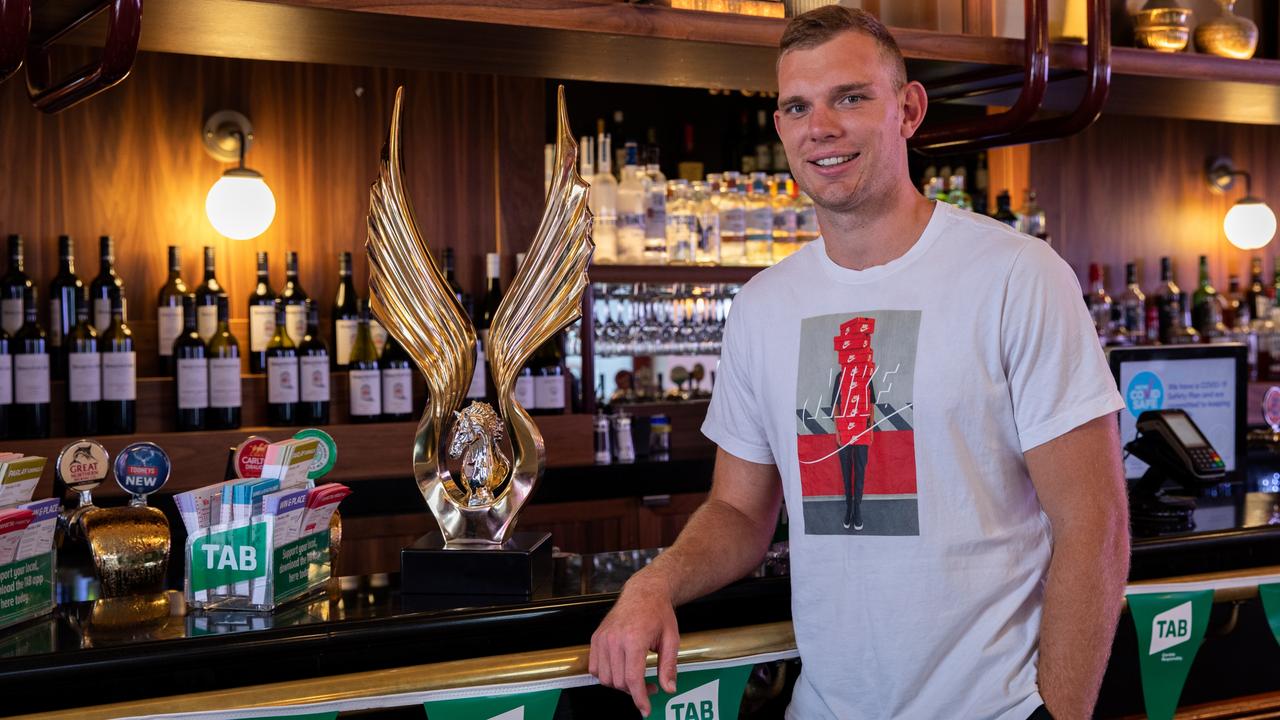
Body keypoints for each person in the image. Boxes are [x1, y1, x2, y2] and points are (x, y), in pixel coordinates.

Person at [588, 6, 1130, 720]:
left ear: (907, 109)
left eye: (850, 97)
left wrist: (1058, 716)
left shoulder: (1016, 276)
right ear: (780, 127)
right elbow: (738, 511)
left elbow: (1095, 524)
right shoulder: (764, 307)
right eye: (797, 106)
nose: (822, 127)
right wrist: (652, 586)